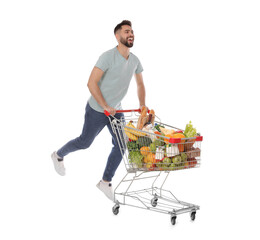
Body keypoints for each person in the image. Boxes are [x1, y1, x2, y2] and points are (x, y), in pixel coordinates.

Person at [51, 20, 146, 201]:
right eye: (126, 32)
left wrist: (142, 104)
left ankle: (105, 181)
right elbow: (91, 83)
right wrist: (104, 106)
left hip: (116, 111)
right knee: (85, 142)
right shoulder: (107, 56)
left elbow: (140, 84)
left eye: (132, 31)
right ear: (117, 37)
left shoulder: (135, 61)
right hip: (96, 109)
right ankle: (58, 155)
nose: (130, 34)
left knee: (121, 144)